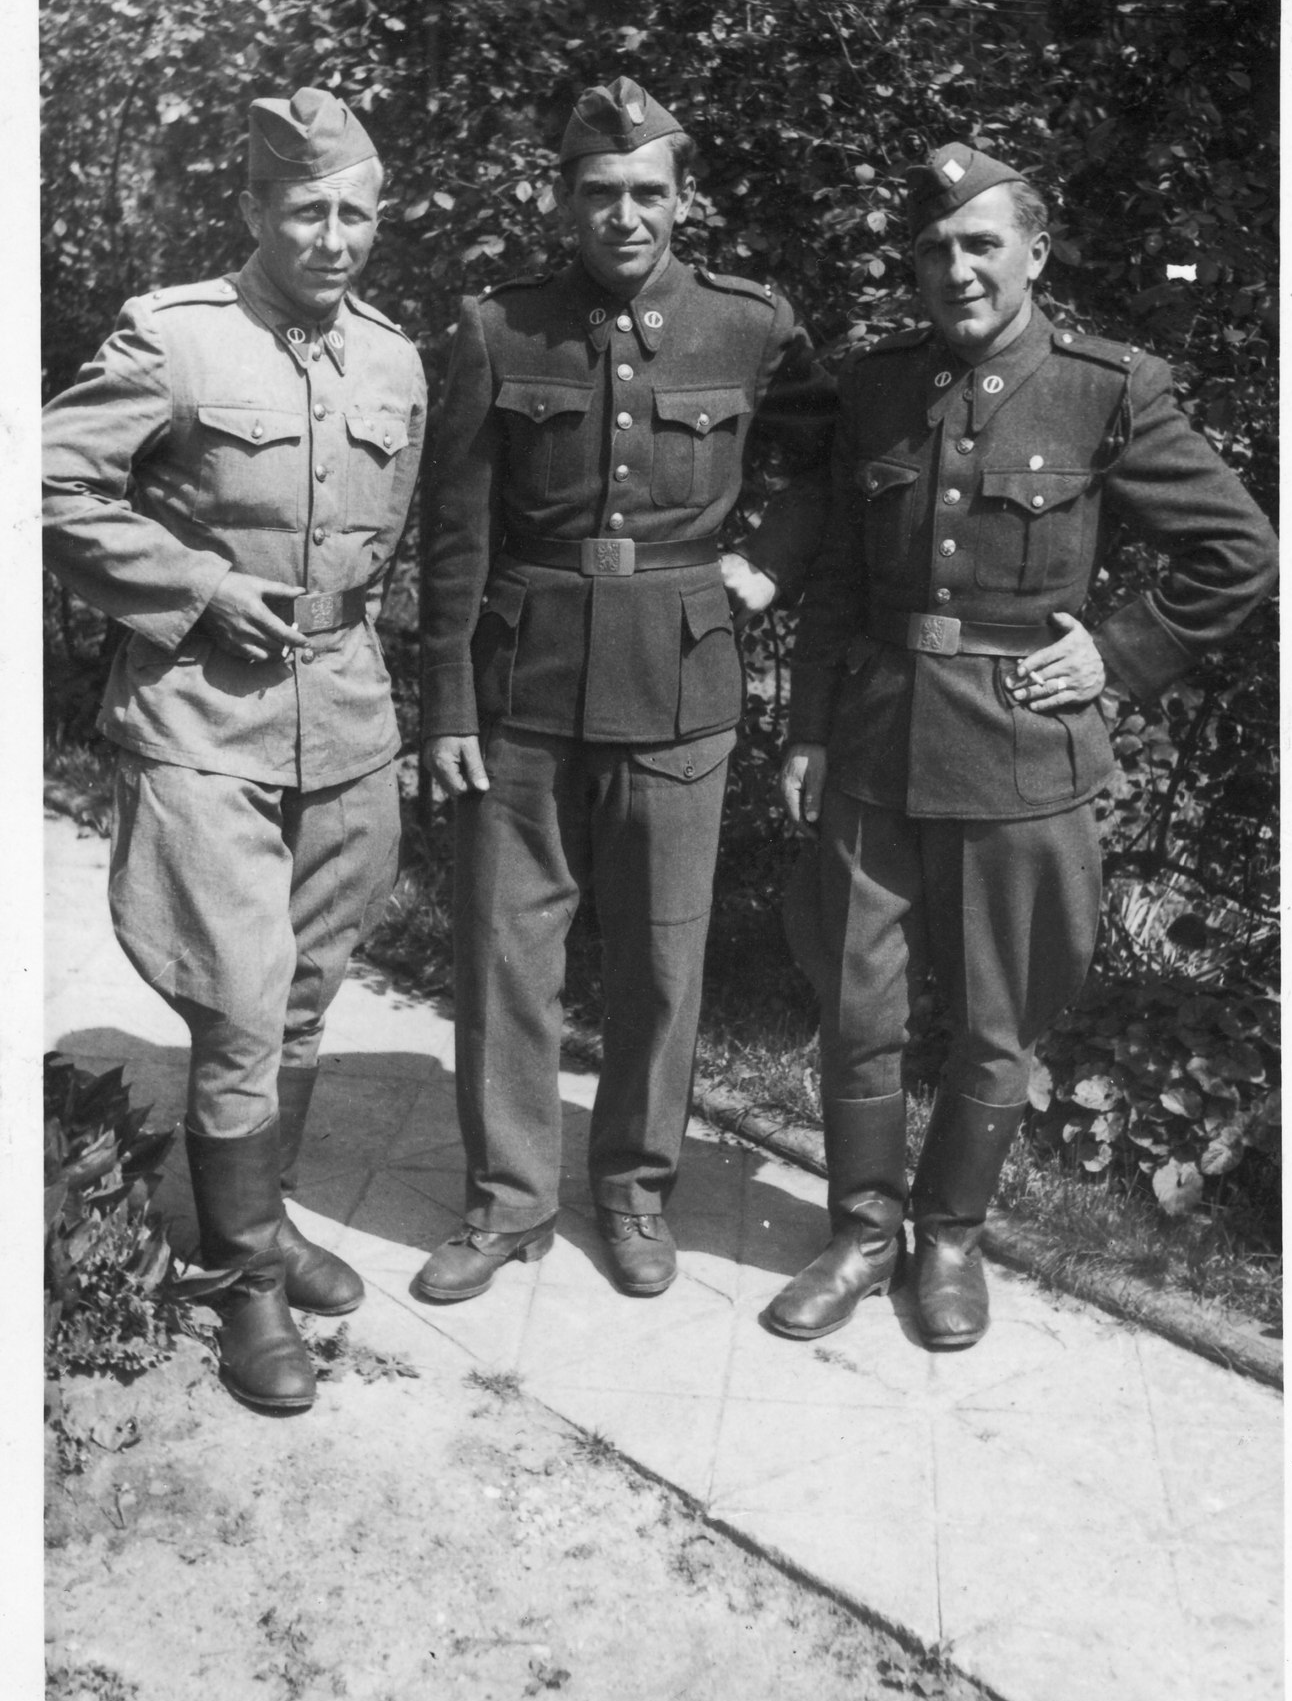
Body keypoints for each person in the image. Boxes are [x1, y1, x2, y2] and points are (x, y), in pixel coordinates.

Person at [769, 141, 1278, 1350]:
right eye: (934, 248)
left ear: (1034, 253)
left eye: (981, 243)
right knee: (857, 1005)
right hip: (875, 741)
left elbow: (1238, 550)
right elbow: (838, 573)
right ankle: (861, 1233)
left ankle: (948, 1239)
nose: (956, 268)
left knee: (999, 1018)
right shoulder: (878, 384)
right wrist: (806, 727)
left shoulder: (1105, 388)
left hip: (1021, 747)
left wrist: (1121, 653)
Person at [416, 75, 832, 1302]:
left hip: (679, 675)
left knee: (660, 956)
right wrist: (446, 702)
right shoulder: (500, 326)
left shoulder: (748, 326)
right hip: (523, 683)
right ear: (564, 200)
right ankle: (507, 1200)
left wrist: (767, 564)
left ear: (682, 199)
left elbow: (828, 463)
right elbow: (455, 528)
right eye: (600, 192)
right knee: (505, 952)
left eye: (648, 191)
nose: (625, 214)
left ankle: (636, 1188)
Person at [42, 88, 427, 1409]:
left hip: (348, 715)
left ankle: (259, 1217)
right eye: (307, 211)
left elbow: (382, 544)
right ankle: (245, 1282)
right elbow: (48, 480)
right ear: (257, 209)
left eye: (356, 214)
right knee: (242, 1003)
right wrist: (198, 587)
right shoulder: (177, 336)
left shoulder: (395, 361)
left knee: (307, 993)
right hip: (205, 714)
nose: (333, 238)